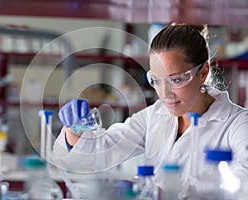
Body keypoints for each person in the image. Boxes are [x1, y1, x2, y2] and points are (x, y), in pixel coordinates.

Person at [53, 23, 248, 193]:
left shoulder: (237, 124)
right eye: (156, 81)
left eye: (176, 80)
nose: (165, 93)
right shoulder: (155, 115)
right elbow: (101, 152)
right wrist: (74, 130)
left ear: (203, 72)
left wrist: (163, 192)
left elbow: (243, 185)